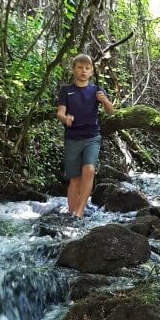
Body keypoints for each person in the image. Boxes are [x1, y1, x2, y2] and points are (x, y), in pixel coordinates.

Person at [56, 53, 114, 218]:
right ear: (73, 69)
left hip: (92, 136)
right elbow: (60, 113)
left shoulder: (97, 90)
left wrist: (105, 101)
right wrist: (65, 118)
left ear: (91, 71)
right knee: (74, 179)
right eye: (80, 67)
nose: (83, 71)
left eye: (87, 68)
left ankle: (80, 211)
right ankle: (72, 212)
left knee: (89, 170)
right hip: (73, 138)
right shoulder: (66, 91)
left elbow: (111, 112)